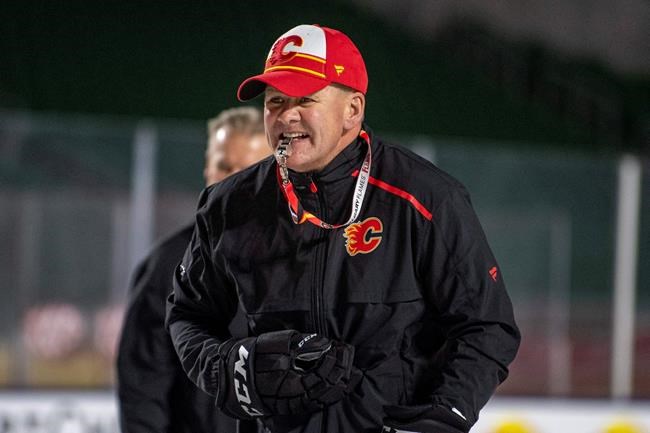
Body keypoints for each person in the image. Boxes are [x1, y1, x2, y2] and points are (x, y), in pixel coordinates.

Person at [166, 24, 520, 433]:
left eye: (305, 99)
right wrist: (229, 370)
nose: (286, 115)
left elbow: (488, 326)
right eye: (275, 101)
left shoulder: (425, 198)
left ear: (352, 109)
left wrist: (446, 413)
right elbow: (188, 316)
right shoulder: (230, 205)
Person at [117, 106, 272, 433]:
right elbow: (143, 383)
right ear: (207, 168)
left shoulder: (302, 258)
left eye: (248, 169)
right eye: (224, 166)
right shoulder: (168, 264)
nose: (232, 180)